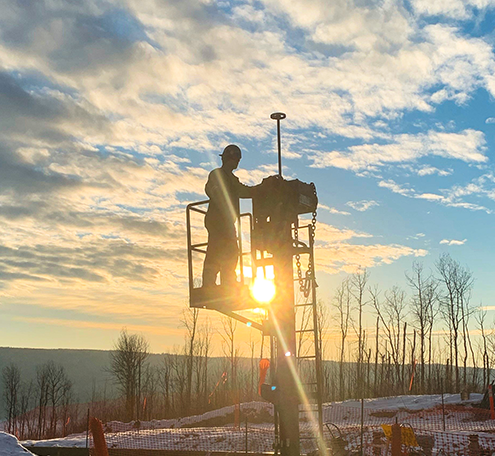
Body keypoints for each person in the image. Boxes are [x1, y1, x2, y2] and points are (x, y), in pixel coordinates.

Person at [202, 144, 255, 287]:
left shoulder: (233, 179)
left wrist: (261, 189)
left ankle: (226, 281)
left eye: (238, 159)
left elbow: (244, 191)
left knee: (227, 251)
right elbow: (211, 190)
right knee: (220, 250)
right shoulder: (216, 175)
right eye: (236, 159)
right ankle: (212, 283)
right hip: (217, 220)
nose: (237, 162)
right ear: (228, 159)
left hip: (226, 221)